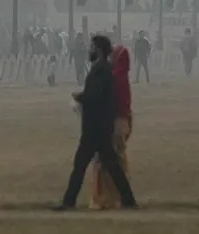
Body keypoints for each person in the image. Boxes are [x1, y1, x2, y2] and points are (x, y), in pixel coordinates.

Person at [55, 35, 137, 211]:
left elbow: (96, 96)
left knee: (80, 166)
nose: (89, 50)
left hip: (95, 129)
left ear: (98, 50)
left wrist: (80, 97)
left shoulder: (102, 71)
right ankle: (128, 200)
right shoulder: (103, 69)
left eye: (91, 47)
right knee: (111, 167)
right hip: (100, 128)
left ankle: (69, 202)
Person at [91, 45, 134, 209]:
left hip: (114, 122)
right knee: (118, 158)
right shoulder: (122, 77)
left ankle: (107, 198)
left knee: (107, 162)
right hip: (124, 121)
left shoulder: (114, 77)